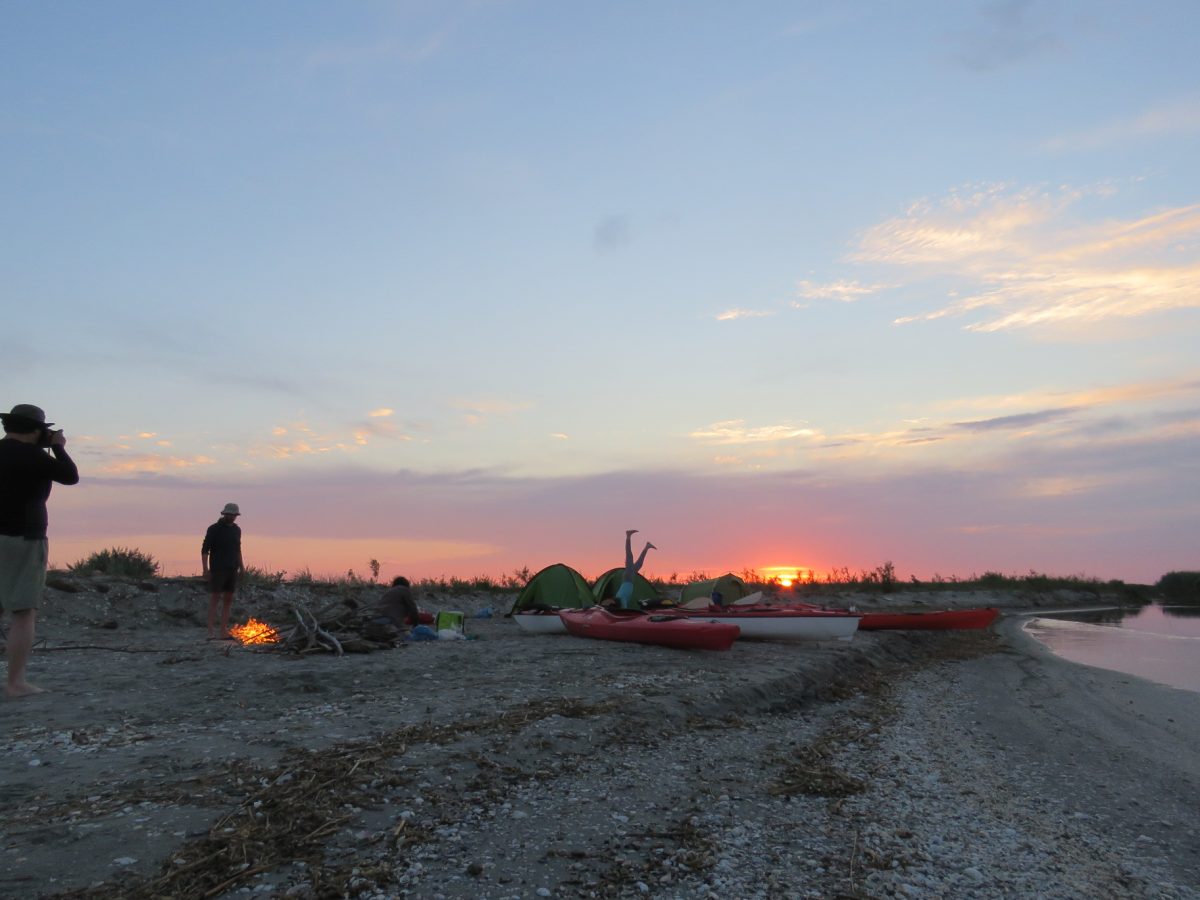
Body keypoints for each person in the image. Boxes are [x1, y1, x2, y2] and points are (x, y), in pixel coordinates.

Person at [1, 404, 80, 698]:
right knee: (23, 612)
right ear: (36, 430)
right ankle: (15, 683)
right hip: (24, 537)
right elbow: (70, 475)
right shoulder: (34, 457)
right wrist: (57, 447)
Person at [201, 502, 245, 640]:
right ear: (224, 514)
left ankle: (223, 631)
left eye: (234, 515)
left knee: (228, 599)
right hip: (218, 568)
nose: (231, 517)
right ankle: (210, 631)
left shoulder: (237, 530)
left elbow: (238, 549)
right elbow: (205, 550)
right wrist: (205, 569)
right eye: (229, 514)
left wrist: (242, 567)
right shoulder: (214, 529)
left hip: (233, 568)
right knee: (215, 598)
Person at [615, 529, 656, 610]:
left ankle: (628, 536)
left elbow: (624, 607)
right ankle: (647, 547)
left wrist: (625, 610)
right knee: (639, 564)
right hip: (629, 579)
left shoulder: (620, 600)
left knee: (629, 556)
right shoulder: (620, 600)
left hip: (627, 578)